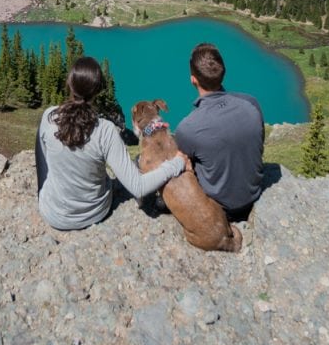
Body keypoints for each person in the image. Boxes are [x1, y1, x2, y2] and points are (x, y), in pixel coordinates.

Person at [36, 55, 187, 230]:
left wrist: (42, 195)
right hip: (94, 213)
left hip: (53, 213)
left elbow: (43, 165)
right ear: (98, 90)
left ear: (69, 84)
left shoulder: (49, 117)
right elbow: (138, 187)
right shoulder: (105, 130)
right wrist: (177, 163)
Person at [174, 42, 264, 221]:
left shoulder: (188, 127)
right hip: (253, 195)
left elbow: (183, 163)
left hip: (218, 207)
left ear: (193, 79)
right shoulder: (251, 103)